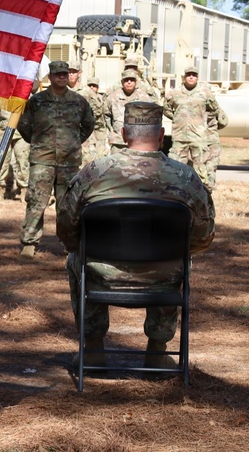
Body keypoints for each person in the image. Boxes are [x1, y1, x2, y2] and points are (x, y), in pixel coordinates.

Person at [56, 102, 215, 369]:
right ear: (161, 135)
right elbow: (202, 236)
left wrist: (78, 246)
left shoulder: (95, 173)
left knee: (76, 258)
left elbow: (66, 225)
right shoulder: (185, 177)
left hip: (101, 274)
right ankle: (158, 352)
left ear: (123, 134)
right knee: (179, 263)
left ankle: (93, 349)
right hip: (163, 277)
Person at [17, 61, 95, 258]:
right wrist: (37, 142)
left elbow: (88, 125)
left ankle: (68, 243)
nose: (62, 77)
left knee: (68, 203)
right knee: (36, 200)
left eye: (65, 74)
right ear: (50, 77)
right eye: (57, 74)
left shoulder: (79, 101)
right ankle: (30, 241)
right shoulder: (37, 101)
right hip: (42, 159)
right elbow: (24, 125)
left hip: (69, 161)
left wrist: (73, 143)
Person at [163, 66, 220, 191]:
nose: (191, 77)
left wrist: (202, 120)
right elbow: (166, 109)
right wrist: (178, 119)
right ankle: (176, 191)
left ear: (197, 77)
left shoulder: (205, 93)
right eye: (188, 75)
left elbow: (214, 108)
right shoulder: (174, 93)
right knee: (175, 167)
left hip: (198, 136)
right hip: (179, 136)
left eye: (193, 75)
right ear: (184, 77)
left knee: (201, 167)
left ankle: (204, 192)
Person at [0, 104, 29, 200]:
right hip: (5, 133)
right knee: (2, 161)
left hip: (22, 134)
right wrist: (2, 124)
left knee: (23, 160)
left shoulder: (27, 99)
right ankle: (2, 189)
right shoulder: (2, 100)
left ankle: (23, 190)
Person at [104, 71, 154, 152]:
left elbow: (151, 116)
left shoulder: (144, 98)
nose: (129, 82)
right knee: (117, 164)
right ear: (122, 82)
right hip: (118, 142)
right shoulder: (112, 97)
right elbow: (106, 115)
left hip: (138, 142)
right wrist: (112, 130)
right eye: (126, 80)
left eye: (132, 80)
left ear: (136, 82)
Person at [80, 77, 108, 163]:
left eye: (94, 86)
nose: (91, 88)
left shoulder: (101, 98)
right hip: (88, 130)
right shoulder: (83, 97)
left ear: (97, 88)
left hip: (99, 129)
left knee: (101, 153)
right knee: (88, 153)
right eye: (90, 86)